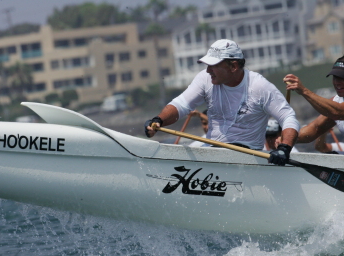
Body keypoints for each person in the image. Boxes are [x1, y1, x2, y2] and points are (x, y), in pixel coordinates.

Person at [144, 39, 299, 166]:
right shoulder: (205, 80)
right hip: (213, 154)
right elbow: (181, 105)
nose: (208, 71)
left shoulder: (259, 87)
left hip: (248, 158)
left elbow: (288, 117)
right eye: (207, 65)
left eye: (214, 66)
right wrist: (159, 120)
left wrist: (284, 149)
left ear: (233, 66)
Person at [284, 55, 344, 154]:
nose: (337, 82)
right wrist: (285, 138)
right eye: (335, 77)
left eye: (342, 78)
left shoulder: (336, 108)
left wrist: (304, 91)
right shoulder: (336, 101)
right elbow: (313, 130)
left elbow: (338, 112)